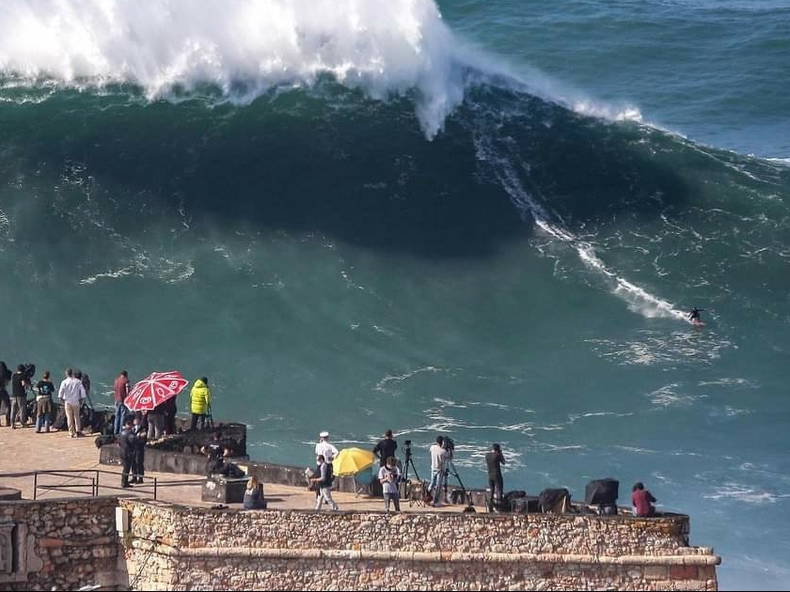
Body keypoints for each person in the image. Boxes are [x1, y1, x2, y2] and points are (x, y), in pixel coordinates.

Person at [58, 368, 86, 438]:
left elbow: (61, 391)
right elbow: (83, 391)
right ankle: (78, 431)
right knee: (77, 417)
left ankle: (71, 433)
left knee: (69, 418)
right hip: (76, 401)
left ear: (66, 374)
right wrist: (82, 400)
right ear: (72, 373)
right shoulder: (78, 381)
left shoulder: (64, 382)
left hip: (68, 401)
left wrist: (61, 399)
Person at [428, 436, 449, 506]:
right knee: (438, 486)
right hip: (440, 470)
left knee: (432, 483)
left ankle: (427, 496)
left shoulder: (432, 447)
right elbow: (450, 457)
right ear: (442, 442)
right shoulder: (443, 451)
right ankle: (435, 501)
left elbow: (433, 449)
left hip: (433, 468)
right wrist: (448, 449)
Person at [118, 417, 138, 488]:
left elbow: (119, 442)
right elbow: (133, 441)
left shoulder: (121, 432)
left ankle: (124, 482)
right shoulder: (130, 433)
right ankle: (124, 482)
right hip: (128, 453)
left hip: (122, 452)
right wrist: (137, 437)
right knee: (126, 469)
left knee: (125, 468)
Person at [9, 364, 30, 429]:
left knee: (13, 409)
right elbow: (23, 384)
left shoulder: (14, 375)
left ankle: (12, 424)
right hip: (21, 395)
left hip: (14, 394)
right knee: (22, 409)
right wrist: (28, 385)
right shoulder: (23, 375)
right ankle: (23, 423)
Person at [113, 370, 130, 435]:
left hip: (116, 399)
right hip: (123, 400)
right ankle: (121, 431)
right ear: (126, 375)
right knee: (123, 415)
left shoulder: (116, 380)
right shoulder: (125, 381)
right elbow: (127, 391)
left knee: (117, 415)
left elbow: (114, 389)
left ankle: (115, 431)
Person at [131, 415, 146, 484]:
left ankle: (140, 478)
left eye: (137, 420)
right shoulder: (132, 429)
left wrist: (139, 437)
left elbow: (144, 439)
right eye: (135, 420)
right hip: (133, 448)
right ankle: (134, 477)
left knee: (139, 463)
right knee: (133, 463)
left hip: (139, 449)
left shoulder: (143, 429)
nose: (135, 421)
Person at [0, 361, 11, 427]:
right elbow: (7, 382)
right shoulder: (6, 373)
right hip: (2, 390)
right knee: (8, 405)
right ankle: (8, 421)